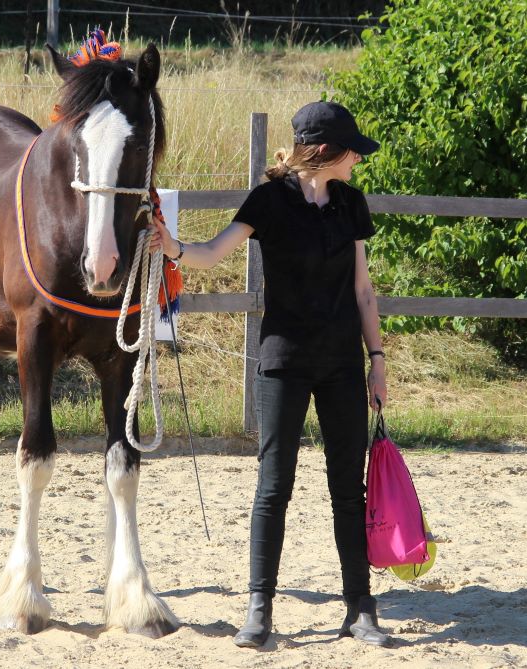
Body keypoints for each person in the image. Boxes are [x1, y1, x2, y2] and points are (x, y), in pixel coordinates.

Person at [148, 101, 391, 648]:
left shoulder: (351, 203)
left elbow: (363, 291)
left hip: (342, 364)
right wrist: (174, 248)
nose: (358, 159)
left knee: (348, 489)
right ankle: (259, 608)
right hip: (283, 360)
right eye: (353, 151)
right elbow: (214, 252)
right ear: (325, 151)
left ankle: (360, 607)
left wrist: (377, 360)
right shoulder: (270, 200)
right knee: (273, 487)